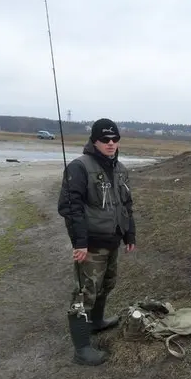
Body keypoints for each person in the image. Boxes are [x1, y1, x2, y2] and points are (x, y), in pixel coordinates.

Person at [57, 118, 136, 366]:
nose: (111, 144)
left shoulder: (120, 168)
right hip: (90, 243)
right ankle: (81, 349)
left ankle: (97, 322)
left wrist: (129, 234)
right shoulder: (79, 167)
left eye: (115, 139)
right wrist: (79, 242)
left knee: (107, 283)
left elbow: (126, 204)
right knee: (84, 293)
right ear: (94, 141)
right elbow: (70, 207)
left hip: (112, 240)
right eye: (105, 140)